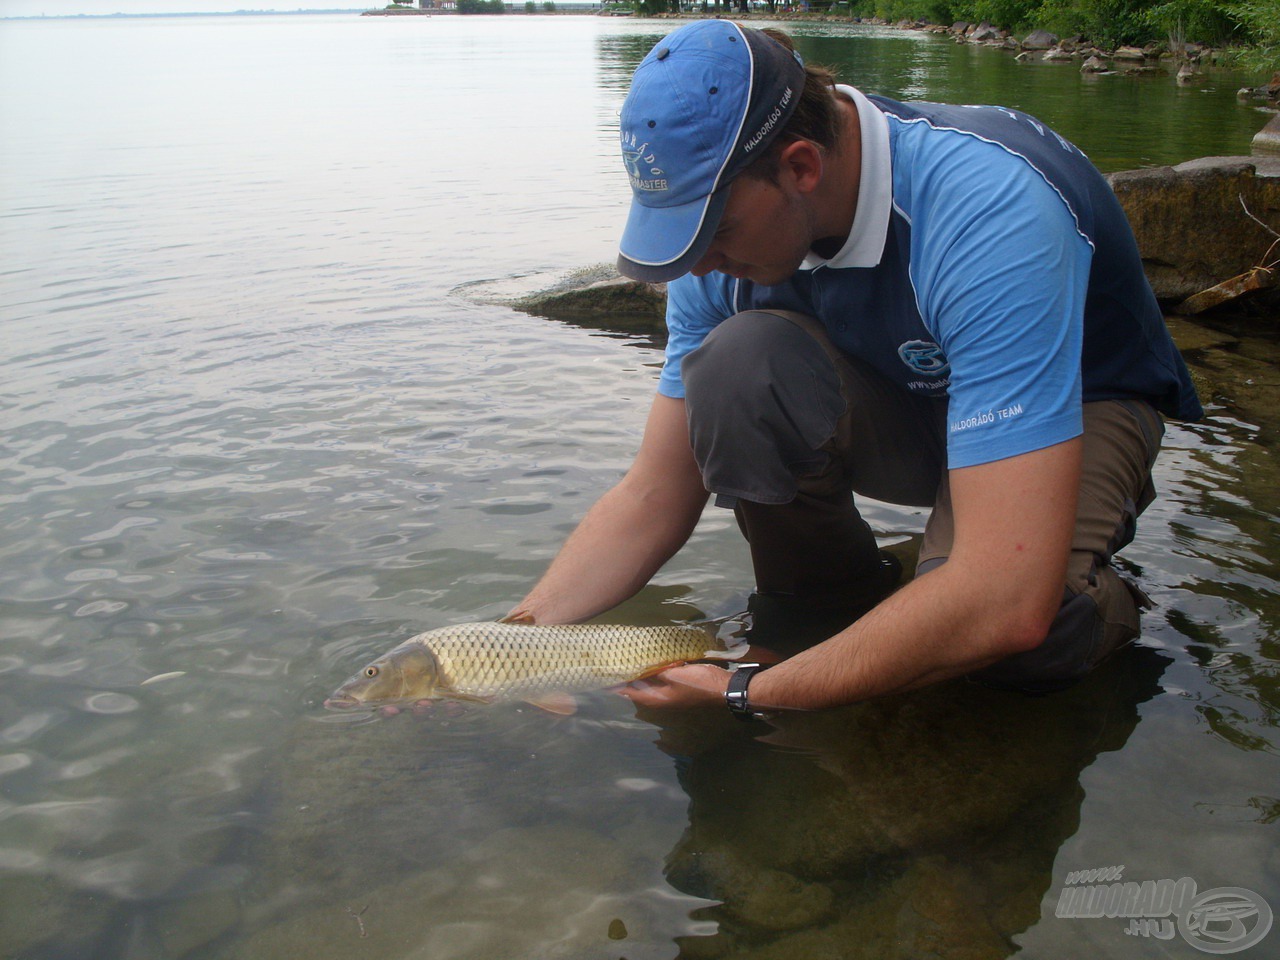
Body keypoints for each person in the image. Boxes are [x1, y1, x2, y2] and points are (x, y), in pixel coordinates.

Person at [508, 20, 1202, 718]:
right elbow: (655, 493)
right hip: (911, 395)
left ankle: (1103, 597)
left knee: (1024, 634)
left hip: (1079, 402)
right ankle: (827, 614)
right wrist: (507, 645)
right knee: (736, 366)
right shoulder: (718, 247)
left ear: (801, 167)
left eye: (713, 231)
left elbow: (1006, 605)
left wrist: (748, 693)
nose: (696, 264)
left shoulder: (988, 210)